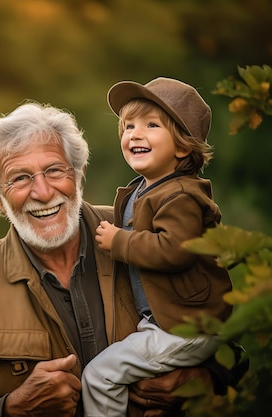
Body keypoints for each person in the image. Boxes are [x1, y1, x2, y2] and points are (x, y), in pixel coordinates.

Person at [0, 100, 223, 417]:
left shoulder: (148, 236)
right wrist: (13, 409)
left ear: (79, 174)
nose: (42, 192)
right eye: (20, 178)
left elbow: (227, 330)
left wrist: (205, 377)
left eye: (54, 170)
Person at [81, 77, 233, 416]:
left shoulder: (181, 195)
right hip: (166, 321)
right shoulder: (146, 189)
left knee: (99, 376)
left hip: (185, 326)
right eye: (128, 125)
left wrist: (120, 240)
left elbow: (174, 249)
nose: (134, 133)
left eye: (151, 125)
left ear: (182, 147)